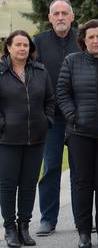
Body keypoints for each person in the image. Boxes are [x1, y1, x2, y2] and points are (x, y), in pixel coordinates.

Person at [57, 20, 98, 248]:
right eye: (90, 37)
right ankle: (84, 233)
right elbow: (62, 92)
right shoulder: (71, 61)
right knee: (81, 183)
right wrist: (74, 116)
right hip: (79, 133)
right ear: (83, 40)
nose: (95, 41)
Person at [0, 30, 55, 247]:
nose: (22, 48)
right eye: (18, 45)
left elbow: (50, 100)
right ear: (8, 48)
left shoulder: (40, 71)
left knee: (29, 184)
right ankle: (10, 229)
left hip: (36, 137)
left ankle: (24, 226)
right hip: (7, 139)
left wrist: (47, 120)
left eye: (26, 45)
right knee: (7, 184)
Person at [33, 0, 80, 237]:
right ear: (50, 17)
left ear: (72, 17)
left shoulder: (82, 40)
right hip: (50, 118)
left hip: (79, 117)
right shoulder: (38, 42)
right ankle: (47, 219)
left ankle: (83, 218)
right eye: (56, 13)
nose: (60, 17)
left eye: (65, 13)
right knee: (51, 167)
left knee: (80, 169)